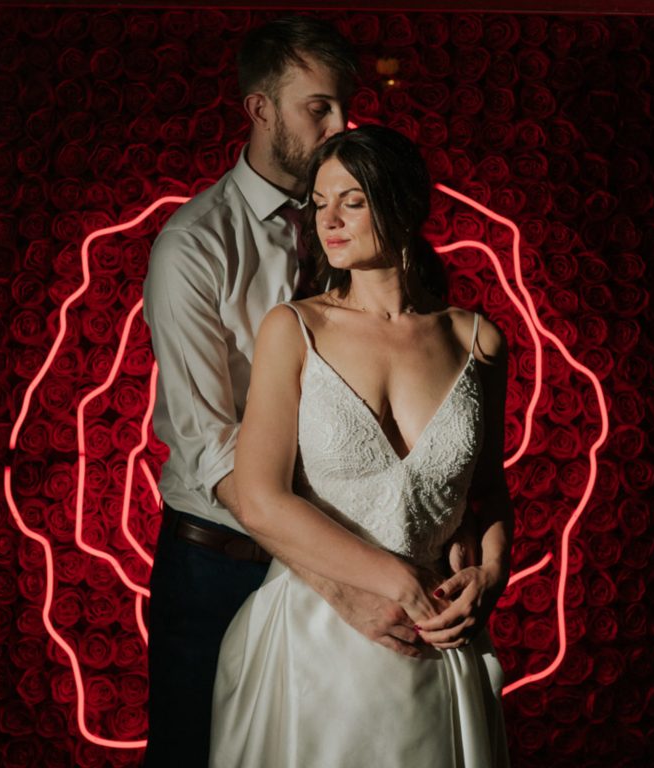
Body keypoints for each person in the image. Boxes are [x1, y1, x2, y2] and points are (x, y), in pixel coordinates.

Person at [141, 18, 440, 767]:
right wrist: (338, 583)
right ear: (260, 109)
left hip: (354, 551)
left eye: (345, 107)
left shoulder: (363, 236)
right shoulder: (194, 247)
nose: (342, 125)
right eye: (319, 108)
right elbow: (215, 451)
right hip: (222, 562)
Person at [211, 125, 512, 767]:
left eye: (351, 200)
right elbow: (260, 499)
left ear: (401, 202)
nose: (330, 220)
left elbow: (489, 495)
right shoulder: (294, 329)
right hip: (317, 632)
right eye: (319, 203)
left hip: (434, 634)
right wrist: (393, 580)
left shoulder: (476, 339)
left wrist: (490, 574)